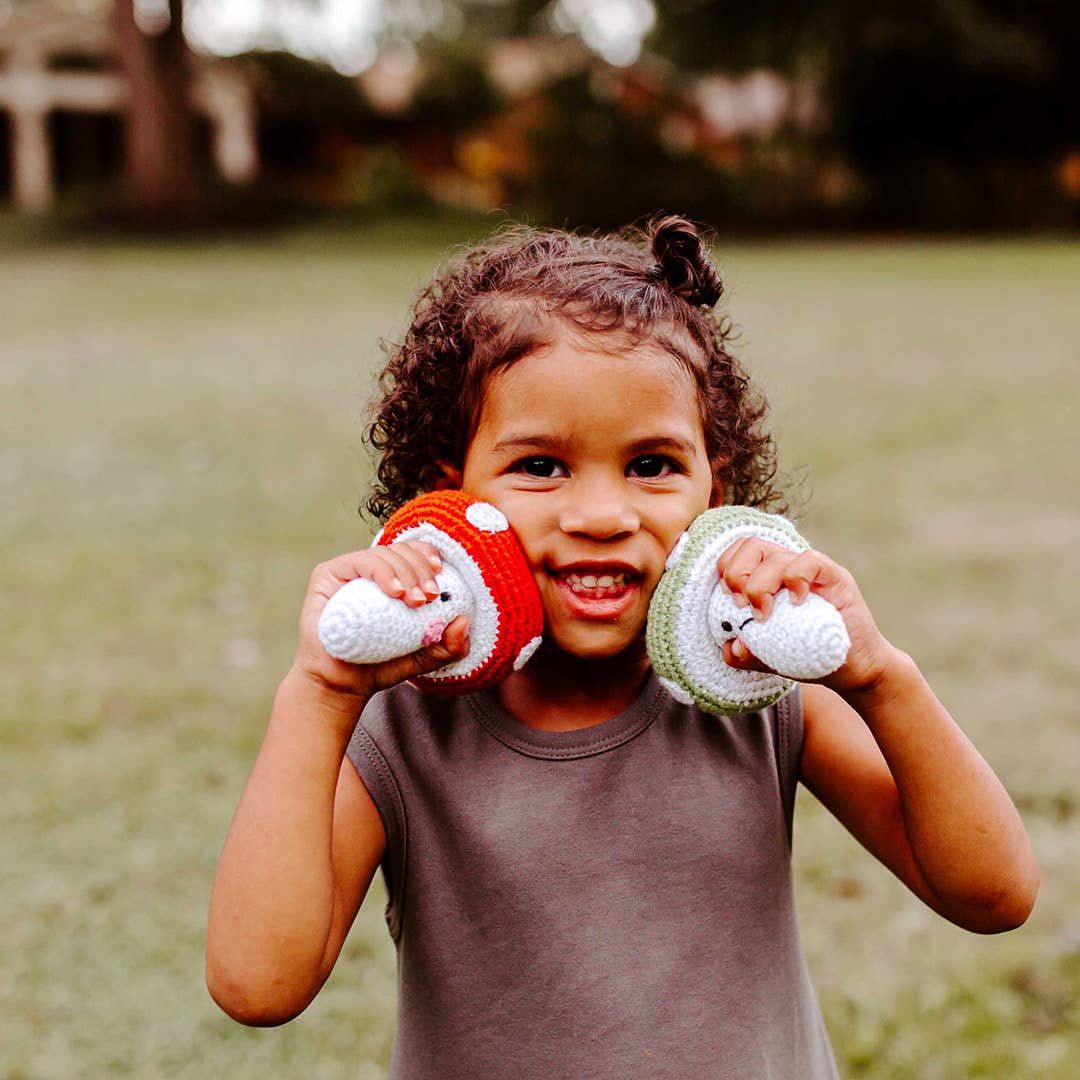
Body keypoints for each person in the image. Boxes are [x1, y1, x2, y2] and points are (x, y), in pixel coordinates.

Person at [206, 216, 1039, 1078]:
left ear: (716, 484)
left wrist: (880, 677)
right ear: (449, 495)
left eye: (650, 466)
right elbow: (257, 985)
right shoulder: (402, 726)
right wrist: (320, 694)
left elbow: (992, 896)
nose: (603, 516)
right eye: (540, 467)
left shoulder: (763, 688)